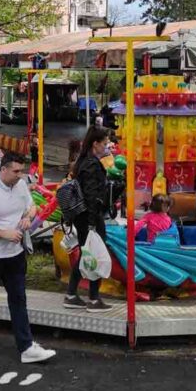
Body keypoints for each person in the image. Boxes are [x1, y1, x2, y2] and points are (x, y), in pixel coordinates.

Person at [0, 151, 56, 363]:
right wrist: (4, 234)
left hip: (15, 253)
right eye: (16, 171)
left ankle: (26, 347)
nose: (20, 175)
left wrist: (27, 217)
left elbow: (32, 207)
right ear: (3, 169)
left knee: (18, 297)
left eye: (21, 171)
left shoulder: (21, 186)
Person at [64, 127, 112, 312]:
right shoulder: (92, 164)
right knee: (96, 254)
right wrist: (93, 222)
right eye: (105, 144)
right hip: (90, 217)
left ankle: (71, 294)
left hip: (82, 216)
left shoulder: (82, 161)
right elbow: (92, 195)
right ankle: (93, 299)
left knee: (87, 253)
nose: (106, 147)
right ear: (96, 144)